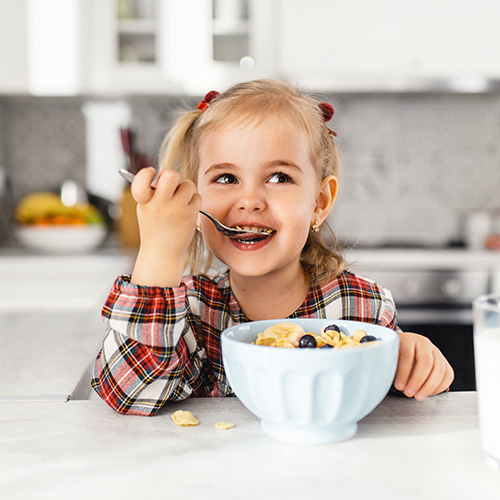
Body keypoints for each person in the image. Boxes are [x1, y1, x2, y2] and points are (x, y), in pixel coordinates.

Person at [91, 79, 454, 415]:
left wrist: (412, 361)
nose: (249, 200)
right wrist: (159, 252)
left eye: (279, 177)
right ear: (195, 204)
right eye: (226, 178)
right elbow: (130, 392)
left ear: (319, 201)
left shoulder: (361, 308)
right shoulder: (189, 314)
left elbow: (395, 402)